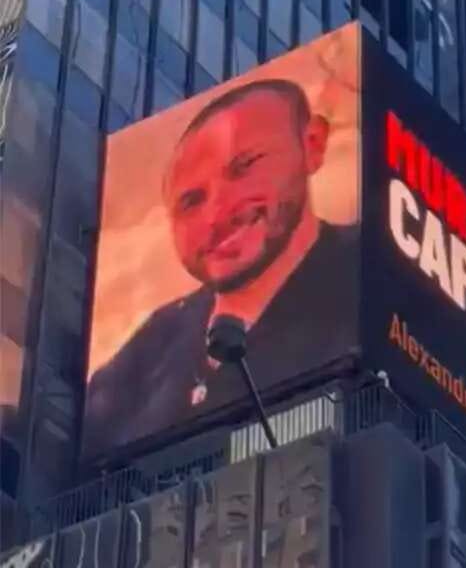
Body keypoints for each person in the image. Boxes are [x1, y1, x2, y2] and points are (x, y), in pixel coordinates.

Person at [83, 79, 359, 456]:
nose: (215, 215)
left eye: (245, 165)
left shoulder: (369, 276)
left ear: (311, 145)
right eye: (191, 201)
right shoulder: (151, 346)